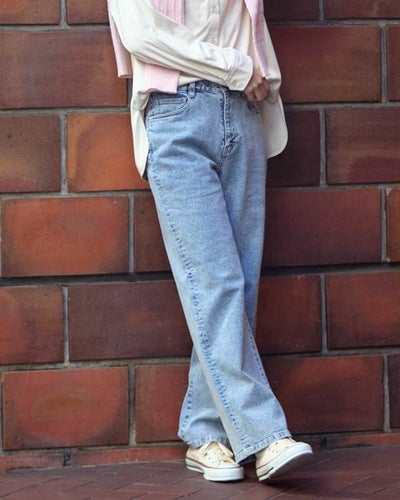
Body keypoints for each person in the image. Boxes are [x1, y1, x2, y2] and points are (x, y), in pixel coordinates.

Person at [107, 0, 313, 482]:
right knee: (216, 284)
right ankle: (266, 435)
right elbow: (141, 35)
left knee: (237, 289)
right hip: (177, 115)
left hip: (243, 115)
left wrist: (253, 75)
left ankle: (205, 433)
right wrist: (236, 67)